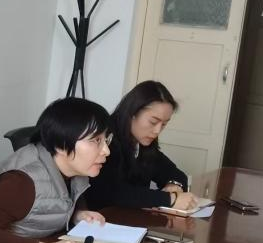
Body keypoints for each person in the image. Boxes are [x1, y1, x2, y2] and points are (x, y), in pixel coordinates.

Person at [0, 97, 111, 243]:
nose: (106, 150)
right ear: (61, 144)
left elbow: (58, 200)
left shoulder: (73, 169)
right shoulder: (21, 181)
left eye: (106, 139)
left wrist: (77, 214)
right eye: (96, 140)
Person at [86, 80, 201, 211]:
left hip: (129, 218)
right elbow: (110, 192)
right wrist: (169, 199)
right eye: (153, 122)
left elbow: (177, 175)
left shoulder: (142, 144)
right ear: (132, 113)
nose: (157, 131)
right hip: (99, 218)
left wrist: (173, 185)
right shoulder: (105, 140)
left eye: (164, 124)